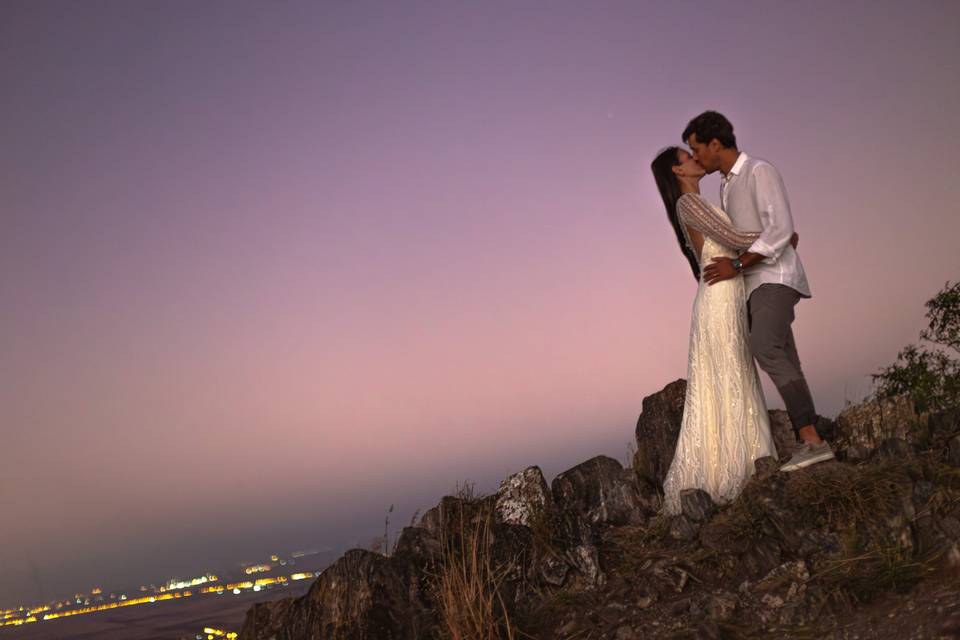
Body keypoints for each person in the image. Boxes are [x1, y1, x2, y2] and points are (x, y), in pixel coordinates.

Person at [677, 110, 834, 473]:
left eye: (696, 148)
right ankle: (810, 438)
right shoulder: (726, 186)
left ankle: (812, 440)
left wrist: (739, 264)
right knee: (785, 357)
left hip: (774, 277)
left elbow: (779, 229)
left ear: (715, 143)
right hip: (753, 284)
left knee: (764, 346)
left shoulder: (758, 171)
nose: (696, 156)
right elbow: (747, 237)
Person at [651, 145, 778, 514]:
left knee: (734, 374)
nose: (696, 158)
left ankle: (744, 463)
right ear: (678, 171)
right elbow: (735, 239)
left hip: (726, 296)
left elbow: (733, 245)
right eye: (687, 157)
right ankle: (736, 469)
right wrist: (777, 235)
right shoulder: (688, 205)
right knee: (729, 374)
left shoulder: (698, 204)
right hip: (718, 301)